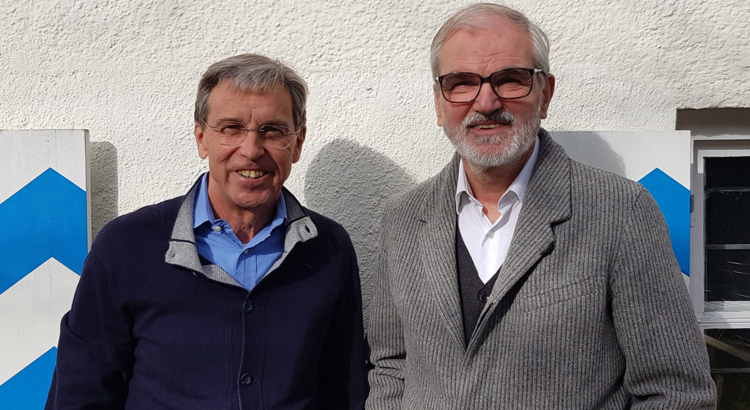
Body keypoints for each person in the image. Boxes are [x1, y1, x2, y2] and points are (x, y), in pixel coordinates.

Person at [366, 3, 715, 409]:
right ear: (438, 102)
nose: (485, 102)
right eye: (461, 83)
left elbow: (678, 393)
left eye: (510, 80)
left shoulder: (620, 211)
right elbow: (391, 365)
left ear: (544, 93)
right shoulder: (403, 218)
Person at [46, 54, 368, 409]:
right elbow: (81, 391)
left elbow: (345, 388)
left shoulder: (328, 249)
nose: (251, 150)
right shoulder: (126, 246)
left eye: (272, 131)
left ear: (298, 142)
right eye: (231, 128)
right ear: (201, 138)